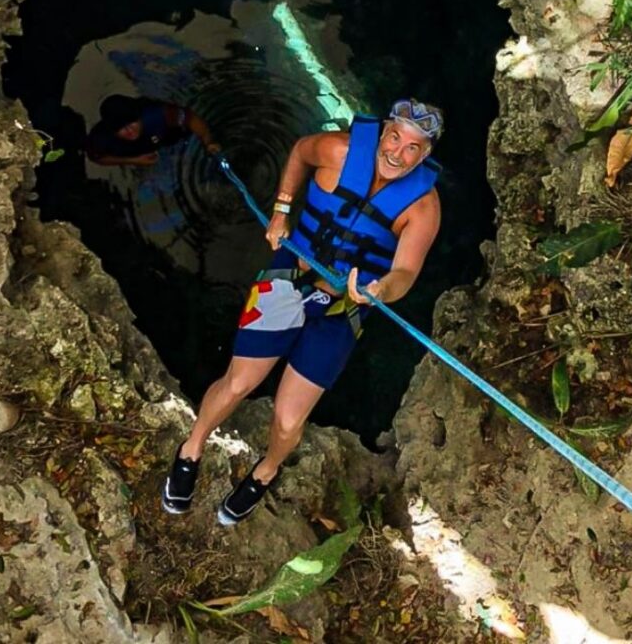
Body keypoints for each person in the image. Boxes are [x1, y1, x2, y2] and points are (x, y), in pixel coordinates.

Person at [162, 99, 443, 525]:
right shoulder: (339, 150)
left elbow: (405, 271)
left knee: (290, 418)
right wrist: (281, 208)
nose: (397, 153)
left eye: (412, 148)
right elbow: (298, 152)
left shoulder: (423, 208)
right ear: (383, 132)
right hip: (287, 277)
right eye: (395, 138)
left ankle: (265, 472)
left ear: (424, 156)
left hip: (344, 307)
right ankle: (192, 448)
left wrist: (381, 289)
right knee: (238, 382)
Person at [85, 95, 219, 166]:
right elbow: (96, 158)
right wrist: (134, 160)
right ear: (111, 130)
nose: (129, 130)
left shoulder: (157, 114)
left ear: (139, 116)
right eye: (120, 127)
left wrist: (208, 141)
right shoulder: (101, 138)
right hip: (137, 151)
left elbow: (191, 118)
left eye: (132, 121)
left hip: (163, 135)